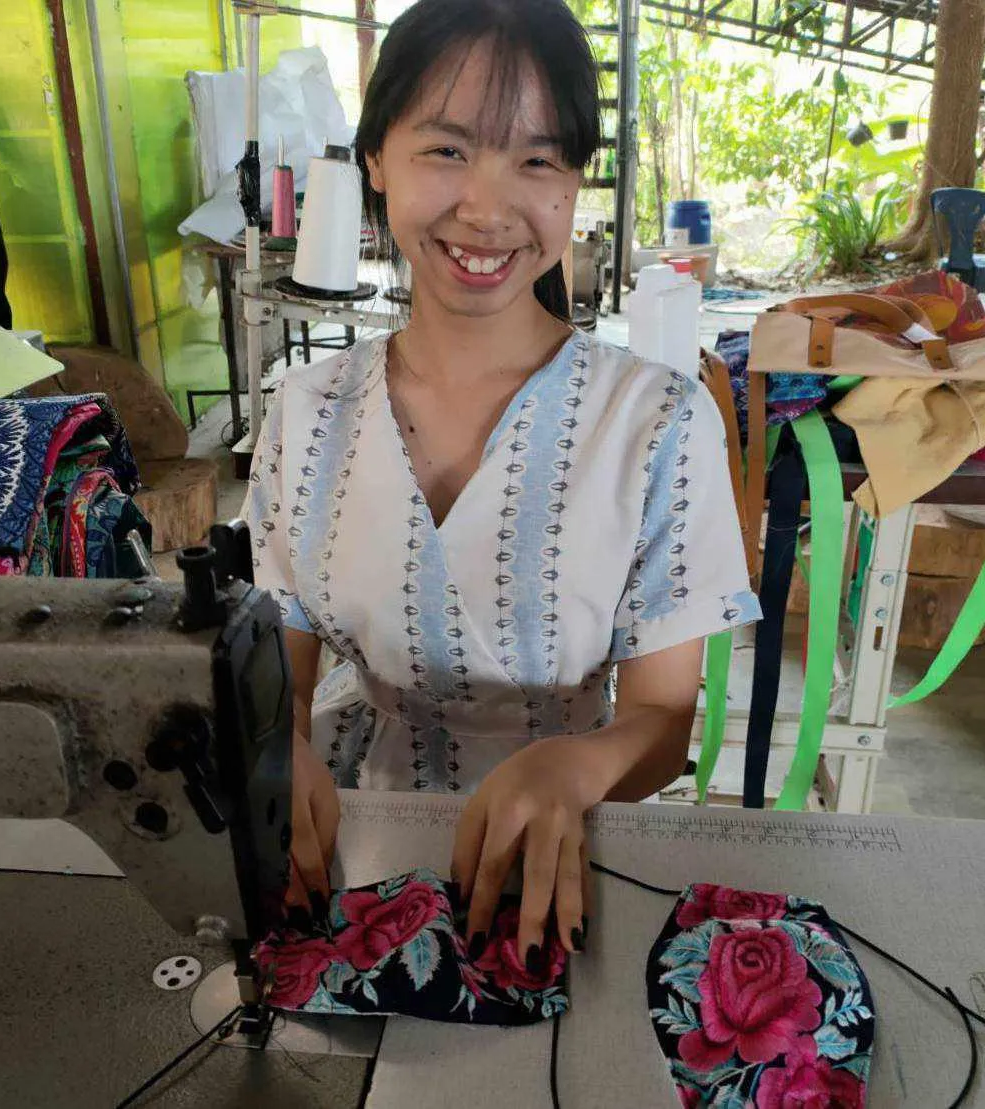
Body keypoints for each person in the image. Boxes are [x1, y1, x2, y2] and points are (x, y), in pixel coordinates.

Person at [243, 0, 759, 977]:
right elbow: (283, 663)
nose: (487, 207)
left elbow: (660, 718)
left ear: (574, 186)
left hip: (568, 839)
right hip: (352, 832)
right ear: (377, 160)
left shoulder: (654, 422)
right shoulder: (308, 410)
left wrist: (577, 762)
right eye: (446, 149)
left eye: (536, 161)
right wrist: (283, 750)